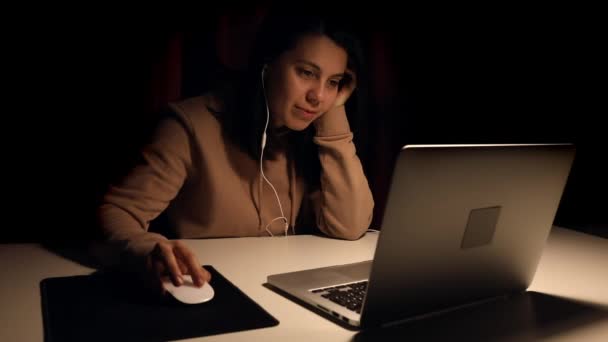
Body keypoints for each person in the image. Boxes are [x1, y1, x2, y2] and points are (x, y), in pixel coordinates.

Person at [94, 10, 375, 294]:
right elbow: (117, 212)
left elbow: (349, 227)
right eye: (306, 73)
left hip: (287, 292)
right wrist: (146, 250)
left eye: (333, 82)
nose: (318, 96)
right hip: (210, 287)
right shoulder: (191, 125)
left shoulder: (314, 134)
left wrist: (334, 116)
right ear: (268, 63)